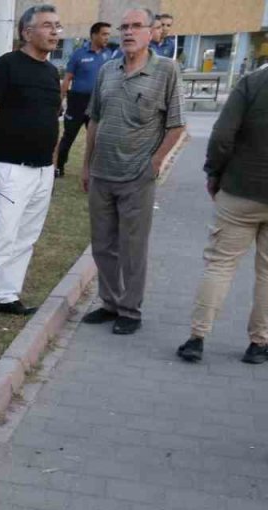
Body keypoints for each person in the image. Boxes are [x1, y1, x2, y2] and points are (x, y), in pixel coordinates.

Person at [80, 7, 185, 336]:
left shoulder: (166, 70)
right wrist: (86, 164)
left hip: (137, 177)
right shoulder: (107, 70)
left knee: (132, 247)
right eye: (123, 27)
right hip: (102, 174)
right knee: (102, 245)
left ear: (152, 31)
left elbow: (176, 125)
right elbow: (94, 119)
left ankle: (130, 309)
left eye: (136, 26)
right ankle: (110, 302)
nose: (127, 32)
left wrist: (155, 163)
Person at [0, 5, 63, 324]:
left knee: (26, 236)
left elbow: (53, 118)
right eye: (47, 26)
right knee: (5, 234)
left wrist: (52, 161)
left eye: (57, 27)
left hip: (42, 171)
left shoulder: (52, 72)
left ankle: (7, 294)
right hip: (10, 167)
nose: (54, 32)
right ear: (27, 32)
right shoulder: (6, 66)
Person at [176, 67, 268, 365]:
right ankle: (258, 343)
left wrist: (214, 172)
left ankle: (197, 338)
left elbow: (222, 135)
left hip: (240, 189)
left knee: (220, 265)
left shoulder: (253, 82)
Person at [56, 21, 113, 178]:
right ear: (94, 35)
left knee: (97, 138)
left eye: (108, 34)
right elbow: (67, 79)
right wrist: (61, 101)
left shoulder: (108, 55)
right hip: (78, 102)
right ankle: (59, 167)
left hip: (98, 102)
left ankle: (94, 171)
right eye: (104, 34)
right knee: (69, 136)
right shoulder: (79, 54)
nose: (107, 37)